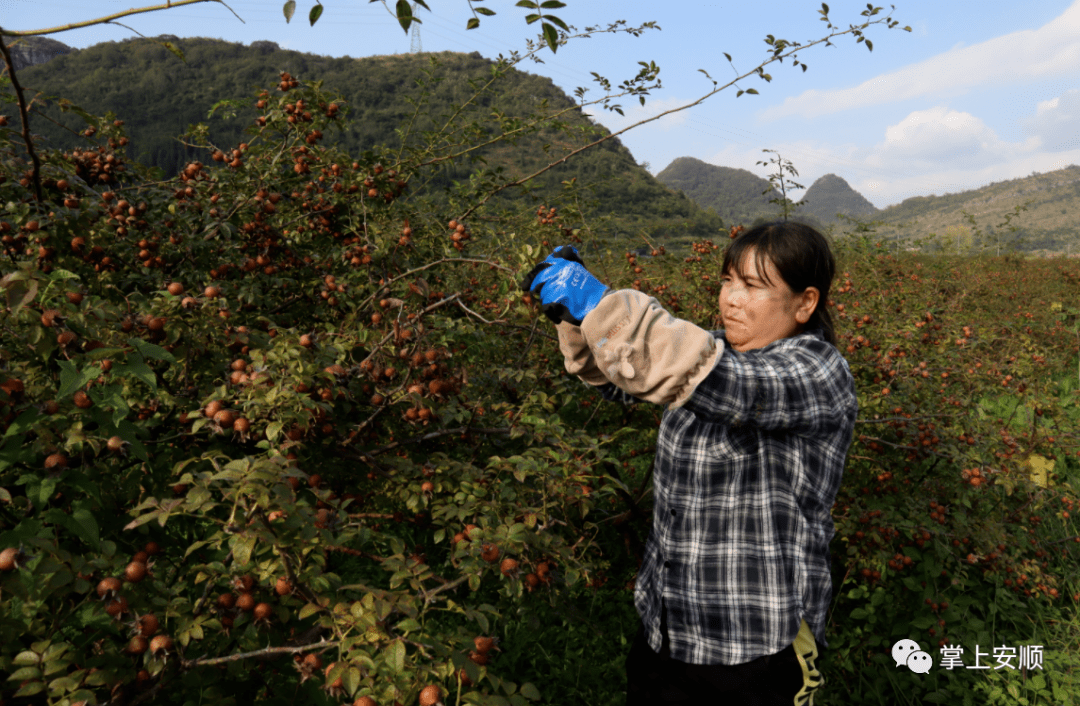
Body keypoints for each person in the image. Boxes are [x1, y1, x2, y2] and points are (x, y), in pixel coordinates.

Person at [521, 221, 858, 705]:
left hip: (756, 645)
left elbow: (728, 383)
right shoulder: (714, 350)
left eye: (754, 286)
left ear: (805, 303)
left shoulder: (818, 370)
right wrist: (577, 320)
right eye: (728, 281)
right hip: (670, 629)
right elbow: (628, 375)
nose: (732, 299)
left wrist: (602, 306)